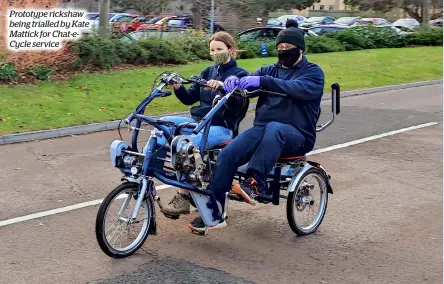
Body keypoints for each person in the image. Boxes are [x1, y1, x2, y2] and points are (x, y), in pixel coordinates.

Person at [188, 19, 326, 232]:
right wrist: (234, 84)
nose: (283, 51)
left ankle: (254, 182)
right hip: (263, 131)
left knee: (275, 128)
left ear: (300, 49)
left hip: (298, 135)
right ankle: (213, 213)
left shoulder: (313, 72)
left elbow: (296, 88)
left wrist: (263, 82)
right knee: (228, 153)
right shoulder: (268, 70)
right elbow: (251, 85)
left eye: (288, 48)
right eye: (279, 48)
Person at [158, 31, 249, 219]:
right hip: (199, 122)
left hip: (221, 127)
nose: (215, 53)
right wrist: (178, 87)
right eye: (212, 50)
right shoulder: (208, 71)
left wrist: (224, 87)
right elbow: (190, 98)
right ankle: (152, 171)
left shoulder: (240, 75)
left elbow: (238, 107)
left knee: (185, 146)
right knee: (161, 125)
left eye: (219, 49)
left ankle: (183, 196)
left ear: (230, 50)